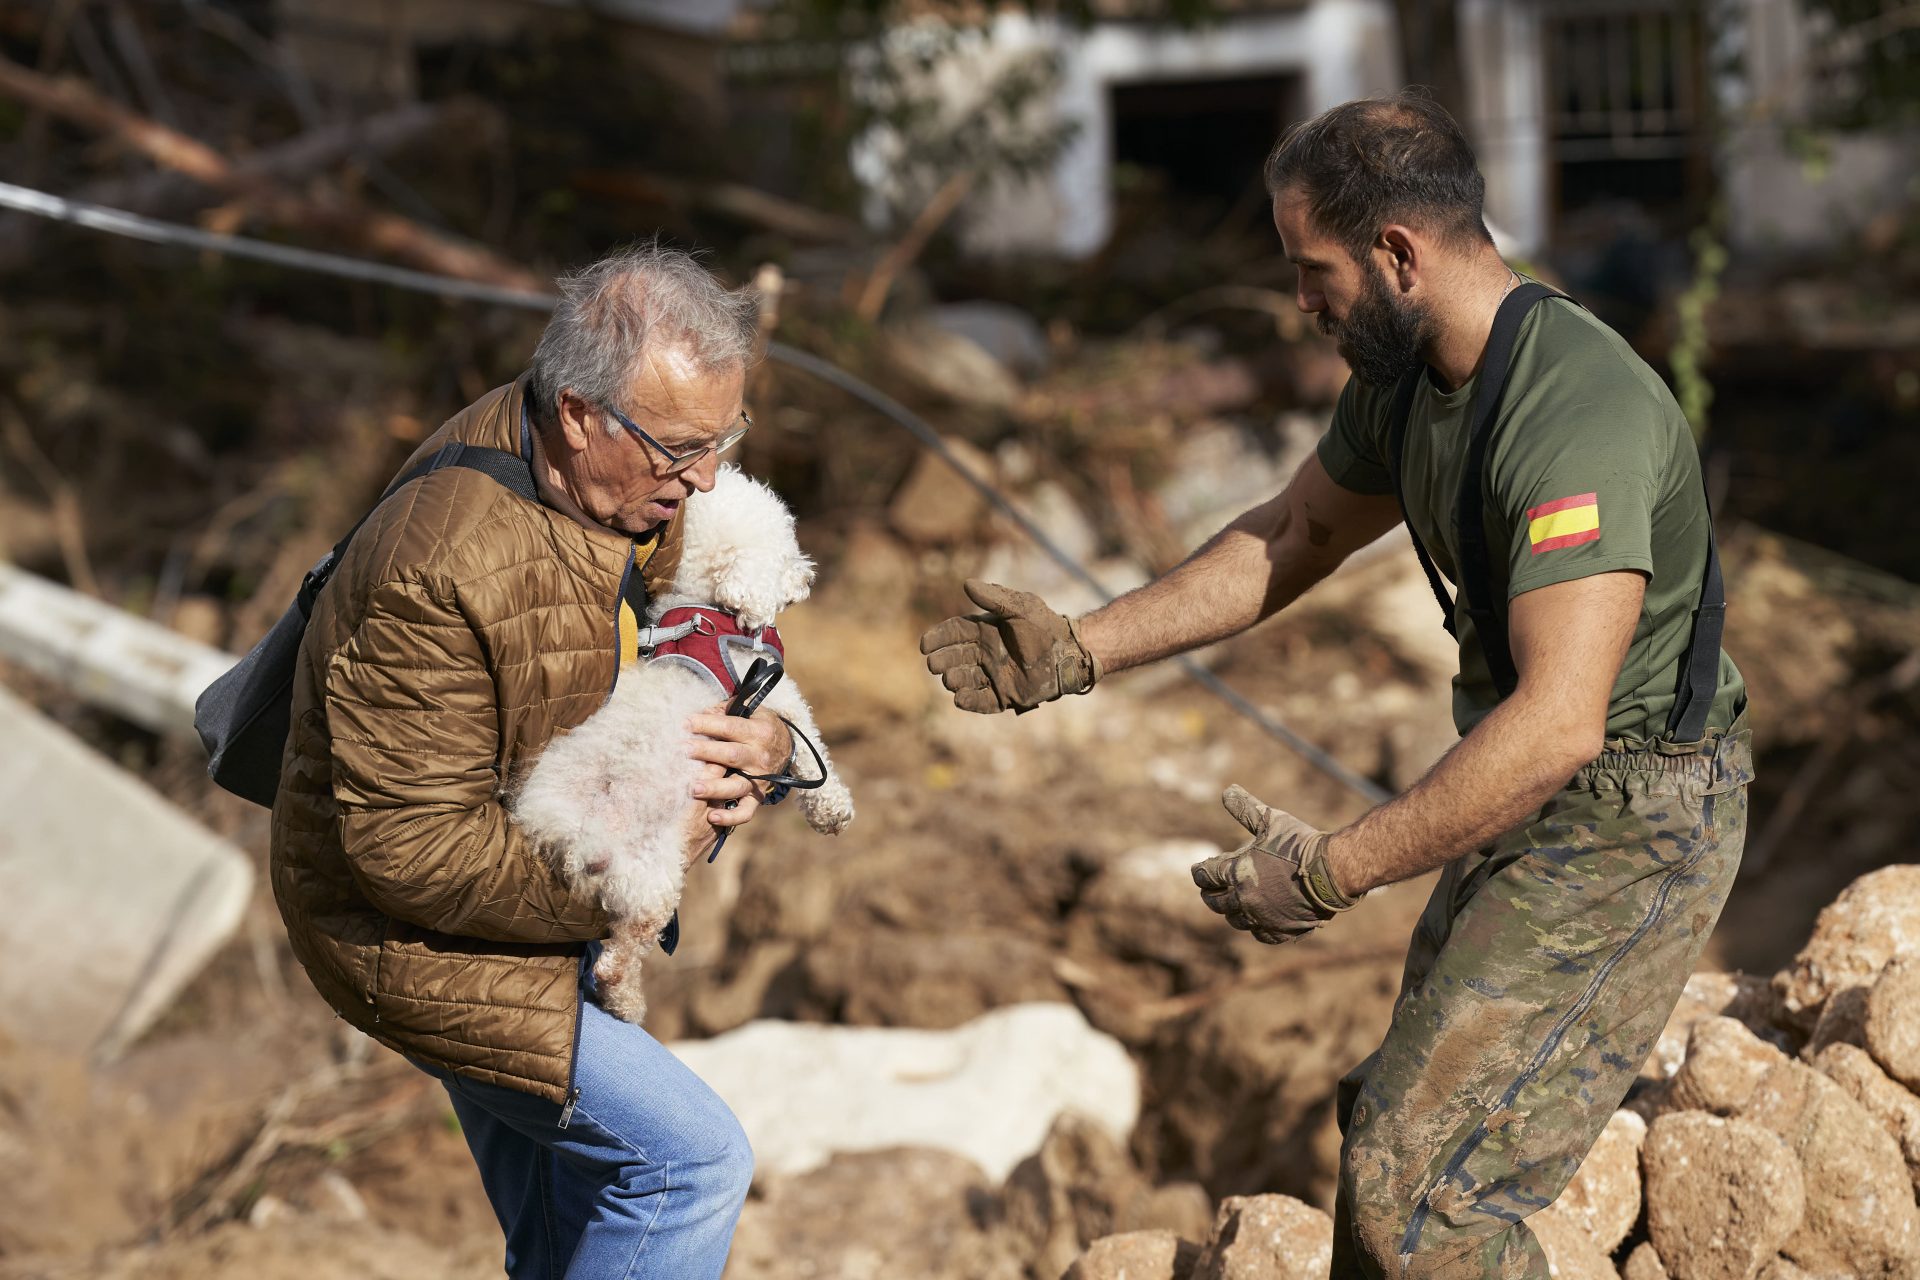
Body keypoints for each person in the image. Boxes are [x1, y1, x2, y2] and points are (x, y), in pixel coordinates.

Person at [920, 92, 1750, 1276]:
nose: (1301, 303)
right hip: (1539, 782)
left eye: (1314, 270)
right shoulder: (1408, 374)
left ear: (1398, 254)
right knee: (1387, 1133)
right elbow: (1294, 533)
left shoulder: (1578, 411)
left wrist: (1331, 869)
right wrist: (1077, 647)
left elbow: (1562, 720)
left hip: (1635, 814)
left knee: (1426, 1193)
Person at [270, 244, 792, 1279]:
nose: (705, 477)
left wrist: (765, 741)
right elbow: (409, 852)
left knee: (566, 1239)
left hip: (531, 884)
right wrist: (635, 864)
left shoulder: (627, 481)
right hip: (410, 936)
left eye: (723, 438)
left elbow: (721, 623)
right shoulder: (436, 565)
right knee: (686, 1164)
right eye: (682, 447)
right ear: (579, 412)